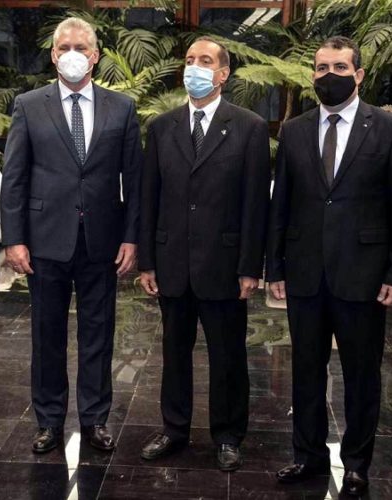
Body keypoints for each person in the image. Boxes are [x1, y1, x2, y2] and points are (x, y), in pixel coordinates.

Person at [267, 36, 392, 497]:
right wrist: (275, 267)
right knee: (306, 370)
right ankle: (307, 455)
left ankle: (355, 464)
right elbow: (280, 204)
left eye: (338, 67)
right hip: (305, 272)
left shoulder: (388, 129)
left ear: (359, 74)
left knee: (361, 375)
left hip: (363, 274)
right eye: (321, 68)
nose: (328, 76)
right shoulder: (294, 131)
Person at [0, 17, 142, 454]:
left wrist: (131, 237)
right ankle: (48, 421)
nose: (73, 54)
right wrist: (14, 239)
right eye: (65, 48)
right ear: (53, 55)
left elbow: (134, 180)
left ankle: (95, 419)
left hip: (102, 239)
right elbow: (14, 177)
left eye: (81, 47)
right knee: (47, 336)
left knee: (99, 334)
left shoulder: (122, 108)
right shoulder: (29, 105)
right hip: (45, 240)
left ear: (95, 56)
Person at [138, 37, 270, 472]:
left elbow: (256, 203)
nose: (195, 67)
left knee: (228, 356)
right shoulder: (162, 127)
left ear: (223, 73)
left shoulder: (249, 127)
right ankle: (174, 428)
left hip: (225, 265)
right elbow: (149, 198)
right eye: (190, 60)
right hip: (172, 263)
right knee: (174, 352)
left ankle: (228, 435)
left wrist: (250, 266)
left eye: (206, 60)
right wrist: (147, 261)